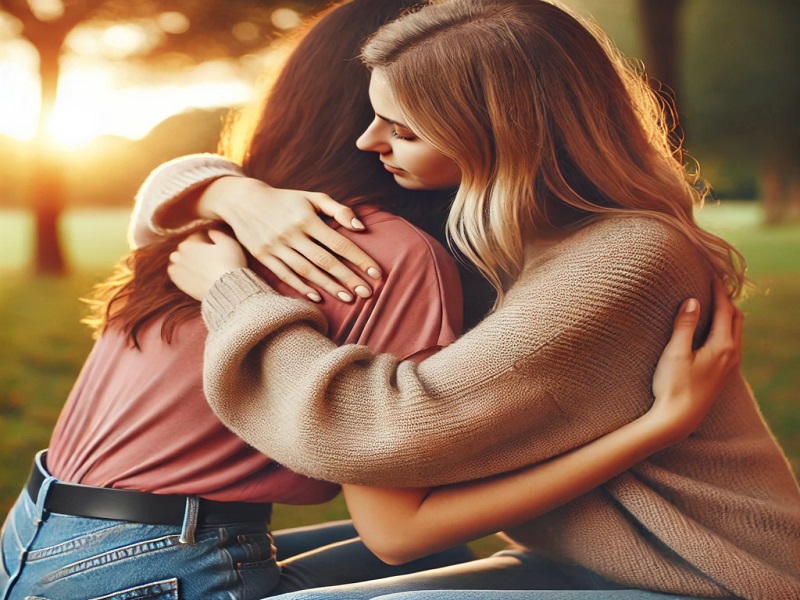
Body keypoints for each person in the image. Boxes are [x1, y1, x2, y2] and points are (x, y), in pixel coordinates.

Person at [0, 2, 734, 600]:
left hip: (35, 536)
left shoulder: (218, 228)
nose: (370, 138)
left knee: (428, 555)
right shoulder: (384, 252)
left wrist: (228, 198)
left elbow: (394, 490)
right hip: (157, 562)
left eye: (402, 122)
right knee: (417, 548)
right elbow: (392, 517)